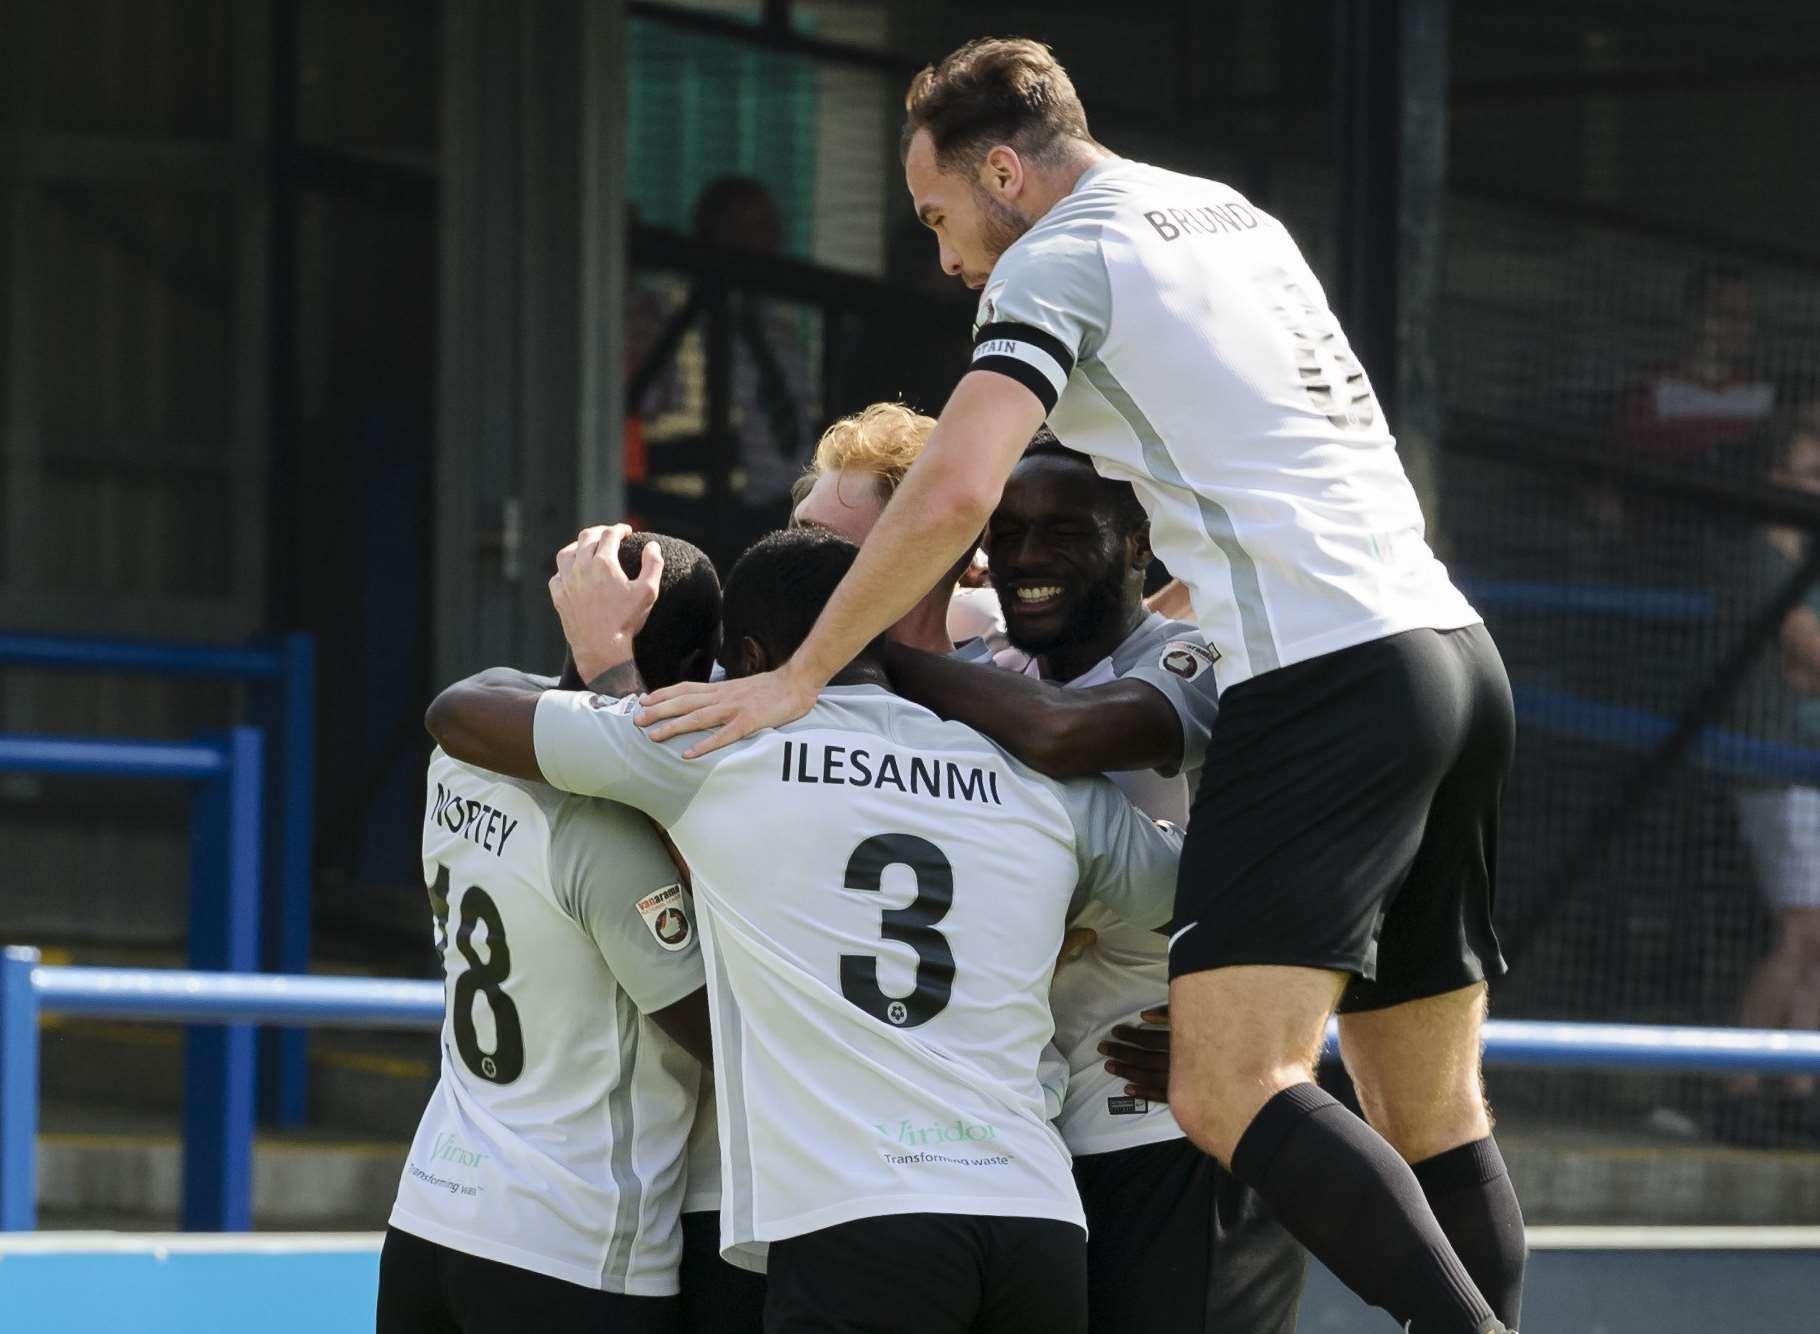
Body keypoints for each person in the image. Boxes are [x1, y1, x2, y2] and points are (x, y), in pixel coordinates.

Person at [634, 37, 1522, 1334]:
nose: (944, 256)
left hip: (1328, 682)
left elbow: (952, 485)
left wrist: (805, 672)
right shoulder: (1234, 219)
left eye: (940, 216)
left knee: (1227, 1089)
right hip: (1450, 650)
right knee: (1429, 1108)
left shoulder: (1059, 255)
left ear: (1005, 168)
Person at [426, 524, 1187, 1334]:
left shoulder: (725, 751)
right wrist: (1216, 1029)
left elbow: (461, 717)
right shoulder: (1036, 779)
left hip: (858, 1220)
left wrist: (612, 663)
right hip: (1036, 1218)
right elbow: (1197, 898)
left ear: (750, 659)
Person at [885, 434, 1306, 1333]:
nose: (1027, 557)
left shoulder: (1200, 663)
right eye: (1008, 532)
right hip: (1031, 1130)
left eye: (1065, 531)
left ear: (1137, 543)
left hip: (1179, 1121)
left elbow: (1065, 734)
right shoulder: (992, 672)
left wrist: (864, 655)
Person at [378, 532, 721, 1334]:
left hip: (432, 1210)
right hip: (569, 1244)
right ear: (705, 661)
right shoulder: (614, 837)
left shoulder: (459, 755)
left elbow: (507, 692)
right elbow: (721, 1036)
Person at [1720, 403, 1820, 1140]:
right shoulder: (1761, 557)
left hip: (1804, 764)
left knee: (1814, 939)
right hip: (1772, 766)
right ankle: (1743, 1087)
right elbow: (1806, 657)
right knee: (1797, 935)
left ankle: (1796, 1085)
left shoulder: (1803, 559)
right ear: (1777, 475)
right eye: (1811, 473)